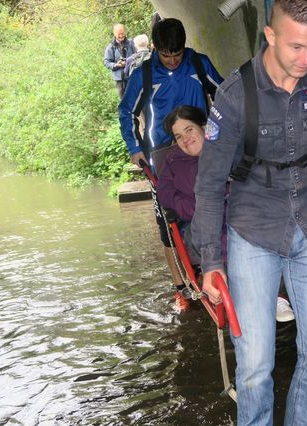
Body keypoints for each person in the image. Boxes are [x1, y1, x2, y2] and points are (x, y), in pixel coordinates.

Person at [191, 0, 307, 424]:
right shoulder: (234, 97)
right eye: (295, 47)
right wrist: (211, 262)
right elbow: (210, 185)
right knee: (254, 369)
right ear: (269, 36)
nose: (306, 59)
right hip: (253, 232)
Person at [118, 18, 224, 312]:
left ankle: (215, 271)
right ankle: (182, 288)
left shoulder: (198, 64)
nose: (174, 60)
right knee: (169, 222)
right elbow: (126, 111)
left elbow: (226, 97)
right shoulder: (145, 74)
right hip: (163, 153)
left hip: (201, 147)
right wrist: (134, 148)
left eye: (178, 53)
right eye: (167, 54)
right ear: (155, 49)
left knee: (214, 207)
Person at [158, 105, 295, 320]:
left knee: (259, 228)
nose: (185, 139)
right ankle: (240, 293)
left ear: (204, 127)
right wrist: (194, 206)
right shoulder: (174, 161)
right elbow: (165, 194)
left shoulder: (229, 150)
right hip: (199, 223)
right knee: (216, 233)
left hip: (237, 213)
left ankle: (275, 295)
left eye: (189, 130)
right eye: (178, 136)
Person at [104, 23, 136, 99]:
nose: (121, 36)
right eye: (119, 34)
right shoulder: (111, 47)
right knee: (124, 102)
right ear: (114, 33)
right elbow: (106, 62)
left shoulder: (131, 43)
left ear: (125, 32)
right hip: (120, 80)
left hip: (133, 76)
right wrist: (116, 65)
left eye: (122, 33)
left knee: (136, 100)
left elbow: (138, 55)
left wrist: (130, 61)